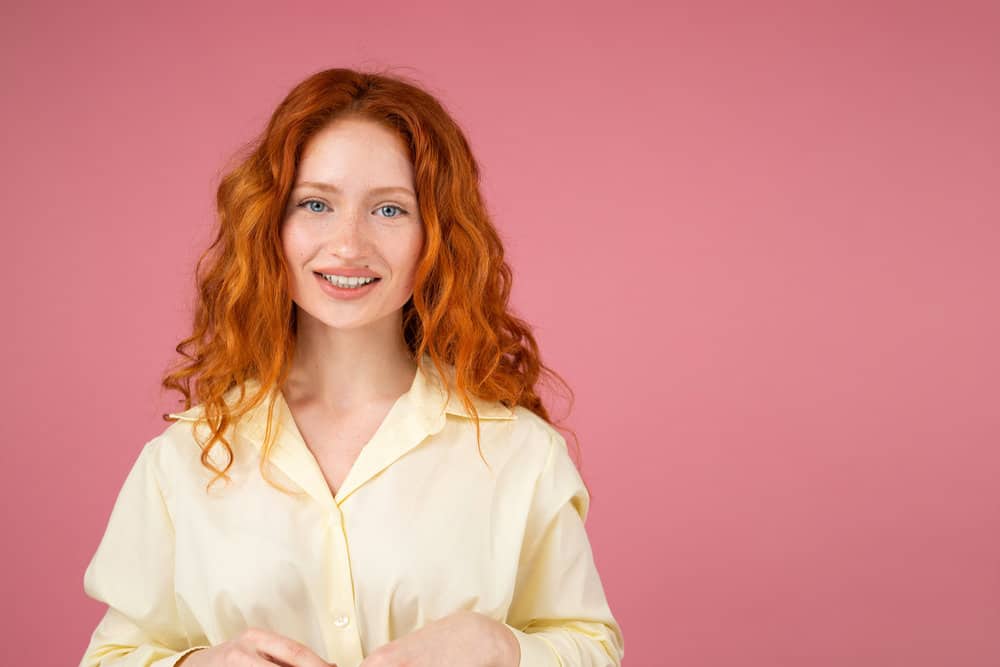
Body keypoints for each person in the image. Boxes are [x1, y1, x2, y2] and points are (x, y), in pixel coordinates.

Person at [78, 68, 625, 667]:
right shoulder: (183, 459)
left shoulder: (521, 453)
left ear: (435, 235)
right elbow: (112, 655)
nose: (347, 244)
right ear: (270, 225)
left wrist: (501, 648)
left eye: (389, 210)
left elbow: (592, 647)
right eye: (316, 204)